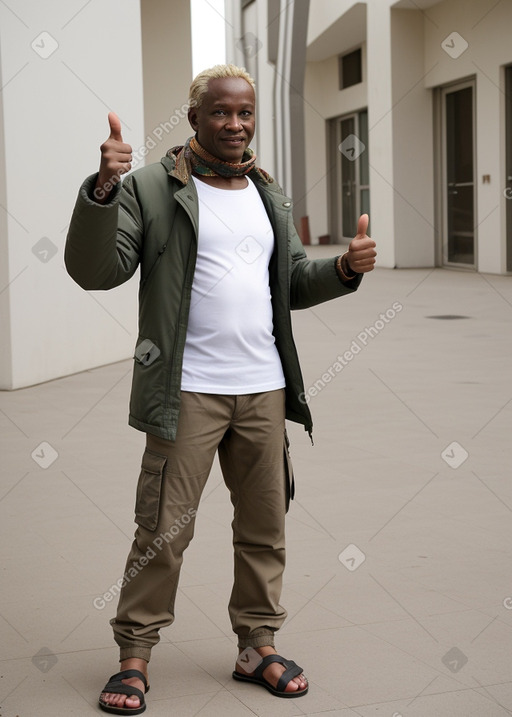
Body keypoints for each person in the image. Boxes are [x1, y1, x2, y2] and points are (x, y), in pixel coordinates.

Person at [65, 64, 376, 714]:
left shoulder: (267, 191)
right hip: (187, 391)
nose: (235, 124)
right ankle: (134, 655)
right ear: (195, 117)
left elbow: (289, 279)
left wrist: (343, 269)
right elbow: (97, 271)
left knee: (265, 525)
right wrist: (101, 190)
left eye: (245, 113)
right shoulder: (152, 187)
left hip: (262, 388)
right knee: (162, 529)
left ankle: (256, 644)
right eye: (222, 112)